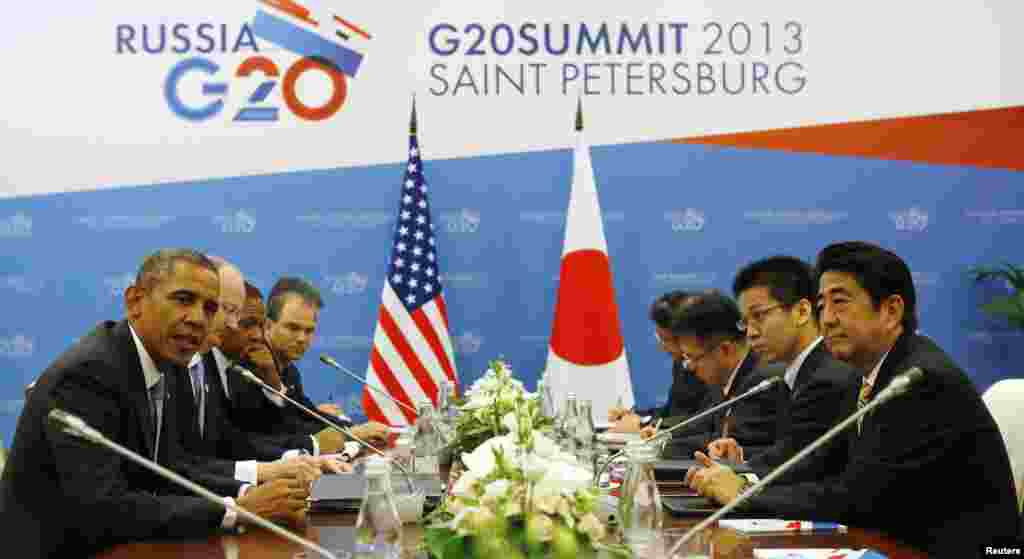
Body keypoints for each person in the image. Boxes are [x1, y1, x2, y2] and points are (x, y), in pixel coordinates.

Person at [686, 241, 1020, 556]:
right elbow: (819, 464)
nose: (827, 319)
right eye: (822, 305)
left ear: (891, 310)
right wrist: (740, 480)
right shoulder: (866, 374)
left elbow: (859, 499)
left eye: (840, 302)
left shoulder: (919, 380)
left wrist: (745, 494)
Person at [0, 249, 307, 558]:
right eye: (184, 299)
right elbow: (102, 509)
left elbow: (171, 470)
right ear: (135, 302)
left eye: (209, 308)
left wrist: (249, 494)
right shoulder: (90, 373)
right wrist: (235, 510)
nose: (198, 318)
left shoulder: (166, 364)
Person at [177, 259, 350, 487]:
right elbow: (239, 442)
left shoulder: (264, 368)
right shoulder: (218, 367)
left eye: (309, 331)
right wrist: (306, 451)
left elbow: (230, 441)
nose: (257, 336)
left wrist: (302, 457)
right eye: (244, 322)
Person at [704, 256, 857, 482]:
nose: (751, 333)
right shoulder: (796, 373)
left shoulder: (826, 378)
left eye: (759, 316)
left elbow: (803, 470)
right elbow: (790, 453)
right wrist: (742, 460)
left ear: (802, 312)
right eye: (745, 322)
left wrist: (736, 478)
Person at [229, 277, 388, 447]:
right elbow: (286, 429)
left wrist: (353, 430)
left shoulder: (289, 371)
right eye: (293, 328)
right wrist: (351, 434)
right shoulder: (249, 367)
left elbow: (308, 416)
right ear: (267, 326)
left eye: (309, 330)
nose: (301, 339)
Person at [637, 291, 781, 459]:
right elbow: (705, 429)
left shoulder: (760, 384)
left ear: (725, 350)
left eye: (693, 357)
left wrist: (662, 447)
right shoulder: (723, 380)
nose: (689, 366)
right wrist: (663, 438)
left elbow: (734, 448)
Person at [608, 291, 710, 432]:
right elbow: (672, 412)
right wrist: (638, 417)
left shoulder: (710, 366)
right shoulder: (680, 363)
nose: (662, 347)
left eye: (666, 340)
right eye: (659, 338)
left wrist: (643, 425)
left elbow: (704, 419)